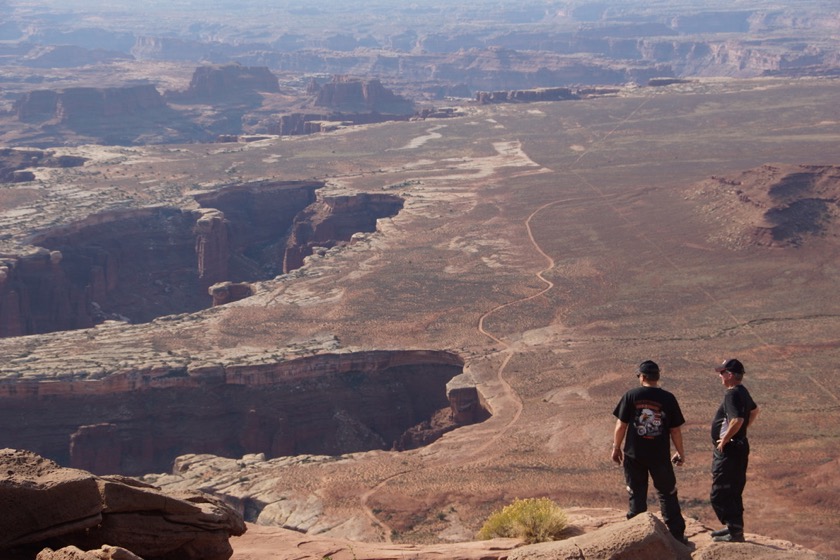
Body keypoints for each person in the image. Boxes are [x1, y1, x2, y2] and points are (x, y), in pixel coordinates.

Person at [612, 360, 687, 544]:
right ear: (657, 377)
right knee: (667, 493)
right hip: (659, 456)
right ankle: (676, 534)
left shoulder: (631, 395)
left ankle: (636, 536)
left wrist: (616, 447)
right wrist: (680, 452)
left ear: (643, 377)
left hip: (634, 454)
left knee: (636, 492)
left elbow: (621, 425)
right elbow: (675, 430)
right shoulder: (668, 398)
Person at [709, 358, 759, 543]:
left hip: (730, 450)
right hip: (739, 446)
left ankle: (735, 532)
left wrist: (726, 439)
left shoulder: (731, 394)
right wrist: (741, 432)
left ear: (729, 375)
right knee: (734, 489)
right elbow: (755, 411)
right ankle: (734, 528)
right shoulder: (742, 391)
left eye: (722, 373)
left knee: (720, 491)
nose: (720, 376)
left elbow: (737, 420)